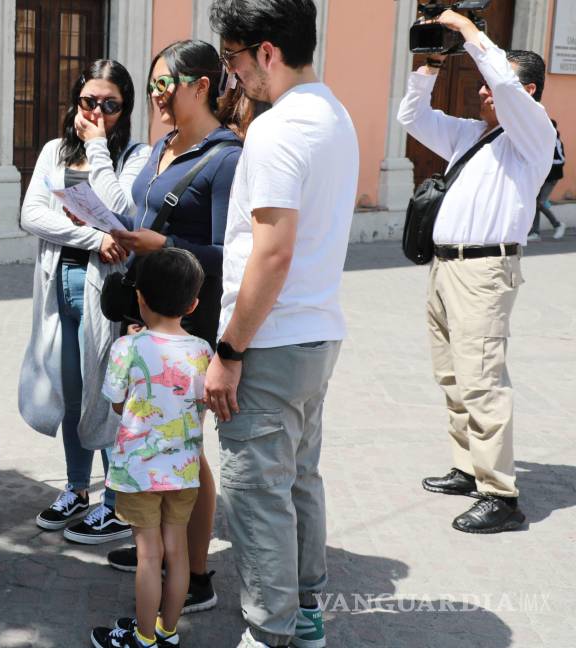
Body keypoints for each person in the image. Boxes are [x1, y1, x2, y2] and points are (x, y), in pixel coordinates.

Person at [207, 1, 359, 646]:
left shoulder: (278, 128)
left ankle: (269, 631)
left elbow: (272, 250)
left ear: (267, 52)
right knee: (297, 479)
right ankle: (304, 610)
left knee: (258, 492)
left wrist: (228, 349)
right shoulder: (336, 113)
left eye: (234, 60)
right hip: (316, 331)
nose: (233, 76)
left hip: (270, 340)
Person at [104, 39, 249, 615]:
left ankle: (194, 572)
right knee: (160, 436)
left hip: (191, 323)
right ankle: (161, 547)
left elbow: (229, 253)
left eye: (165, 86)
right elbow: (144, 213)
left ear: (201, 86)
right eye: (154, 87)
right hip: (147, 313)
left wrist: (164, 245)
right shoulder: (163, 145)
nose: (157, 98)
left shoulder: (226, 157)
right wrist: (118, 234)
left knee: (187, 448)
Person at [398, 11, 555, 535]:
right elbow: (412, 119)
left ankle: (501, 495)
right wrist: (433, 64)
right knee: (453, 374)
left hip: (485, 271)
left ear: (526, 89)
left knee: (483, 379)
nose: (485, 92)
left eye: (492, 83)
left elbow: (507, 87)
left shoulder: (532, 133)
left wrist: (468, 29)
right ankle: (468, 466)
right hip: (447, 269)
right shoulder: (471, 135)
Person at [18, 59, 150, 545]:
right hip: (61, 281)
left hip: (108, 292)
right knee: (72, 393)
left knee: (110, 394)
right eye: (88, 102)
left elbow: (124, 211)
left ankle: (115, 502)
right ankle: (77, 488)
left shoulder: (136, 156)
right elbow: (32, 213)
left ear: (125, 109)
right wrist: (91, 239)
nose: (97, 112)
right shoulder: (55, 150)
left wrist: (98, 148)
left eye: (110, 105)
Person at [90, 249, 212, 648]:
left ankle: (142, 638)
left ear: (139, 297)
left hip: (139, 471)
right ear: (193, 303)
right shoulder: (202, 351)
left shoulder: (128, 349)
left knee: (147, 555)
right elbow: (201, 404)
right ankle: (166, 631)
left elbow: (117, 403)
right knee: (176, 551)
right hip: (184, 470)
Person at [528, 126, 566, 241]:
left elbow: (562, 159)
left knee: (540, 202)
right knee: (535, 203)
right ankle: (535, 233)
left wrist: (546, 160)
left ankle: (558, 225)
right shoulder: (542, 141)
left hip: (552, 177)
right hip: (542, 177)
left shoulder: (556, 140)